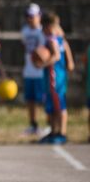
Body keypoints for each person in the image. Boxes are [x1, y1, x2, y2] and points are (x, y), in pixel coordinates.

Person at [37, 12, 71, 144]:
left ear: (48, 27)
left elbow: (56, 56)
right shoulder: (60, 37)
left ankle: (61, 133)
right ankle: (54, 131)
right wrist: (70, 62)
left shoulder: (51, 39)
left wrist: (42, 64)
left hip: (54, 75)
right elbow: (65, 47)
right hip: (57, 74)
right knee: (52, 105)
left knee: (59, 105)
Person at [21, 3, 46, 137]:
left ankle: (49, 124)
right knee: (30, 100)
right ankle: (33, 125)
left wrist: (42, 60)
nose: (30, 19)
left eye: (32, 16)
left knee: (43, 100)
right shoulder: (24, 31)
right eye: (28, 16)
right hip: (29, 70)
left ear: (39, 16)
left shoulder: (43, 31)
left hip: (41, 72)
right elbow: (25, 48)